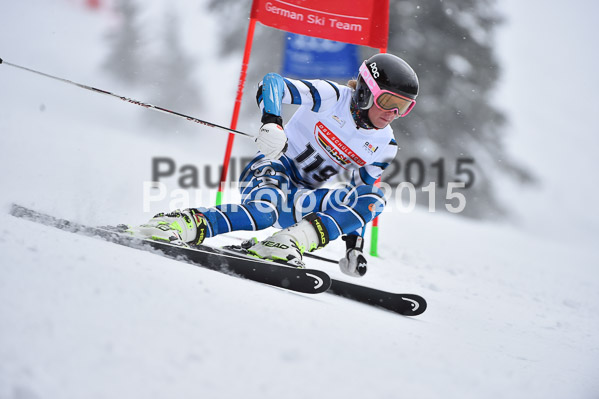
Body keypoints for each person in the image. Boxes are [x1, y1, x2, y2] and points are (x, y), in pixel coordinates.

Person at [132, 53, 419, 277]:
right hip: (272, 169)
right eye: (388, 101)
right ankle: (178, 223)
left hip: (301, 198)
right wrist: (272, 122)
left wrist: (353, 247)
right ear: (366, 91)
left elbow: (359, 198)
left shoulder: (385, 144)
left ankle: (285, 243)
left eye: (404, 107)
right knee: (263, 212)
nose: (393, 113)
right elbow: (273, 83)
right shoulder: (331, 97)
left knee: (374, 198)